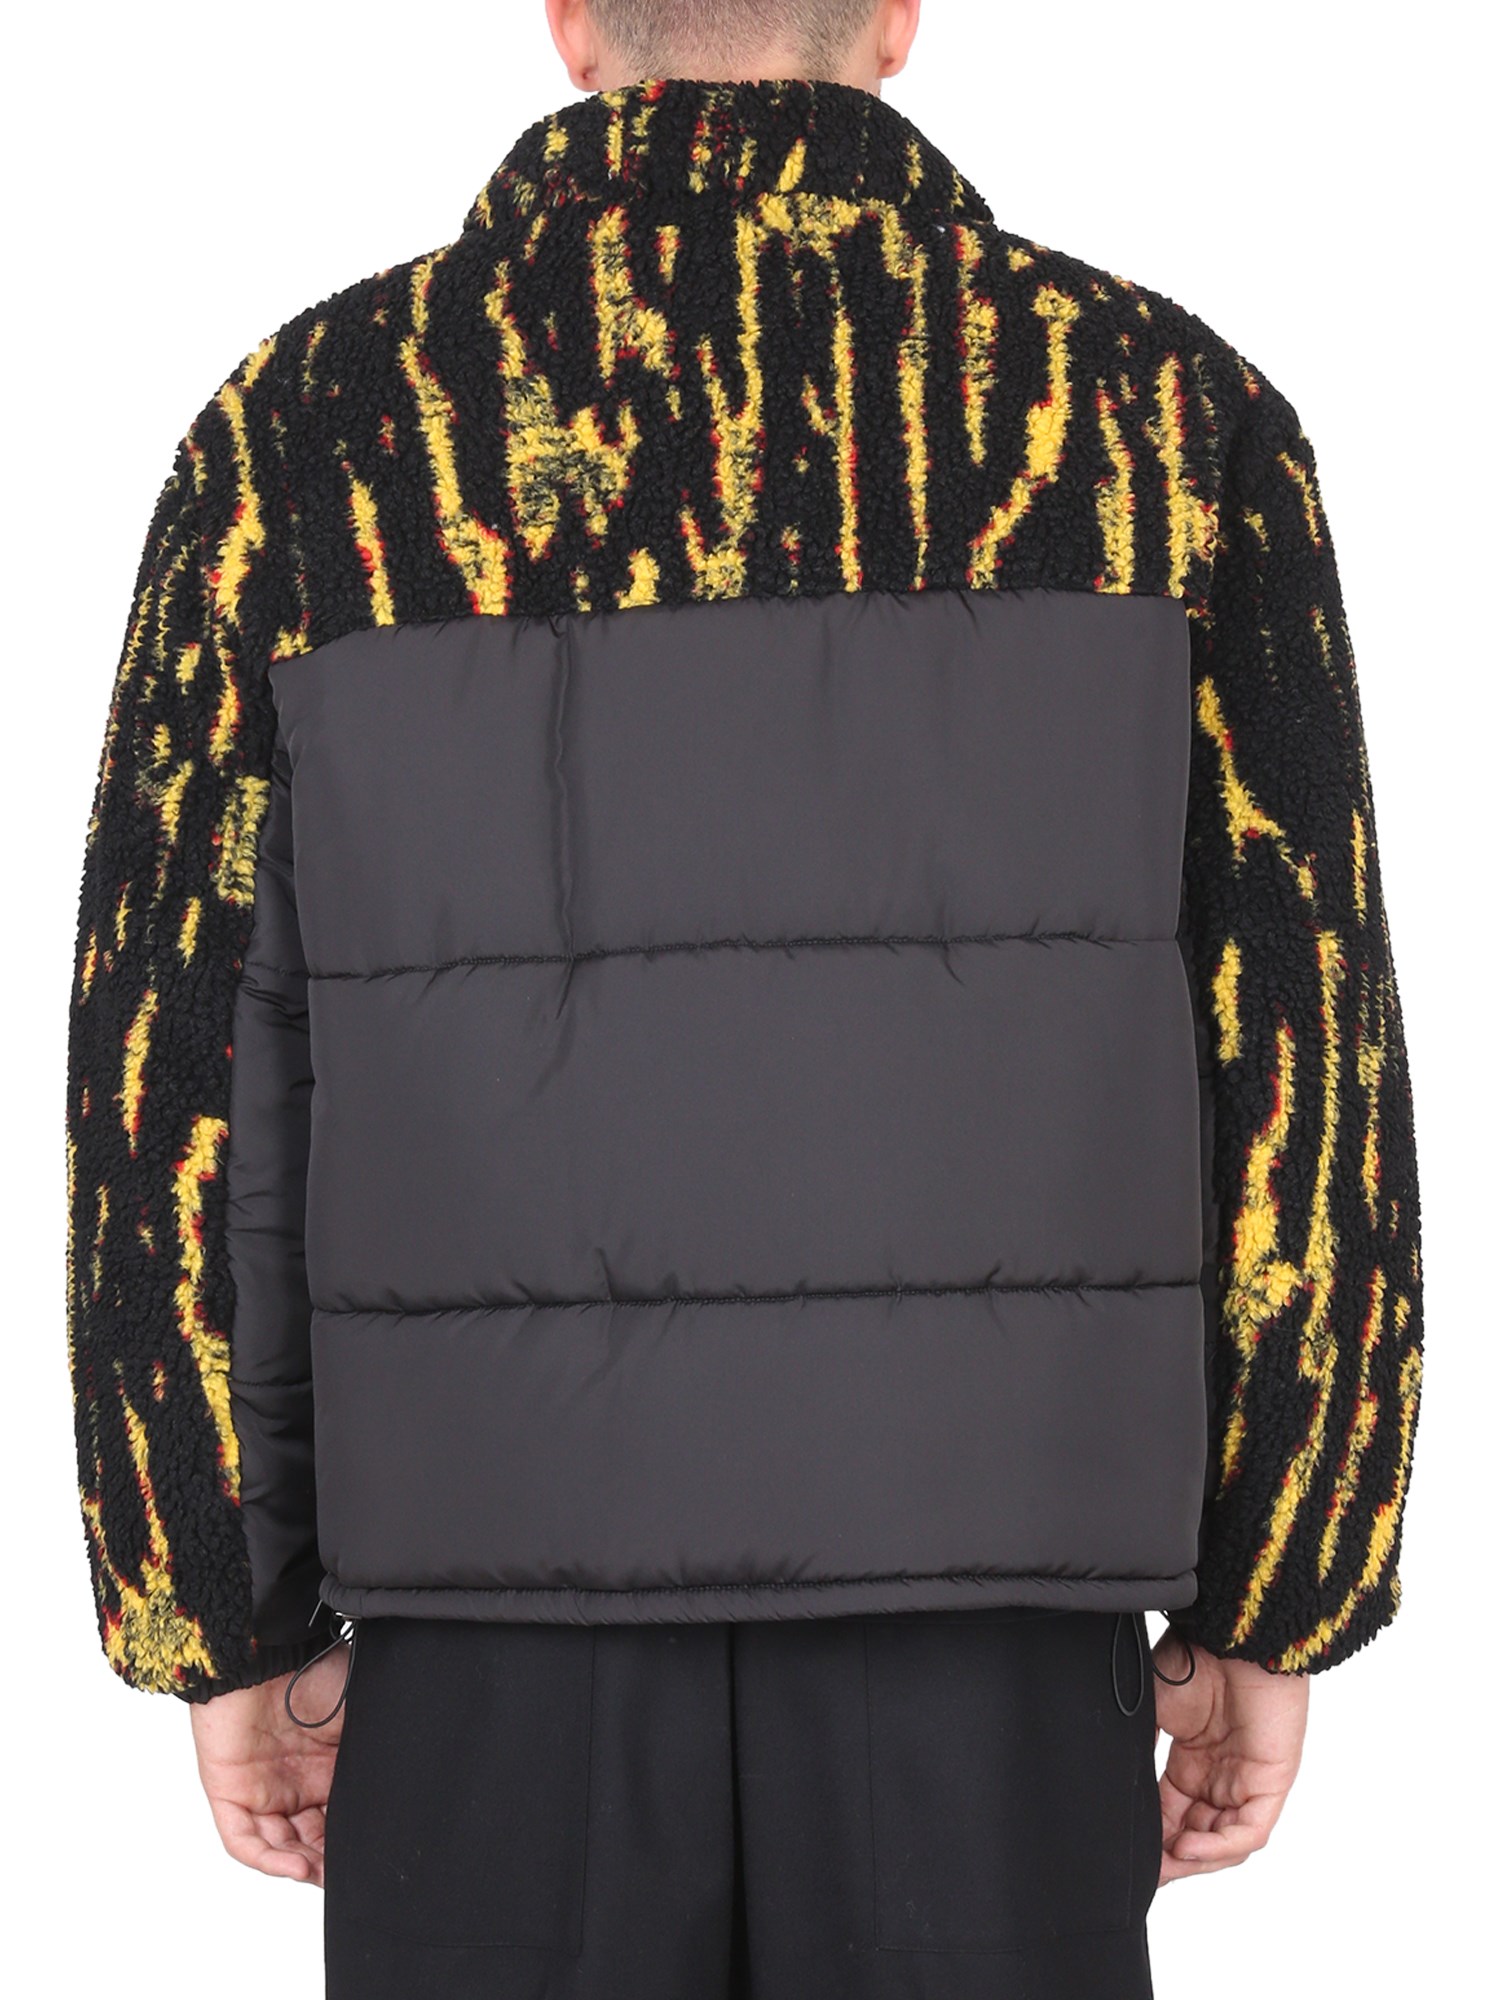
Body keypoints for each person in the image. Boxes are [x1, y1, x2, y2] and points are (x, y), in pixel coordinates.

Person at [64, 1, 1423, 1993]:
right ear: (899, 18)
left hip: (488, 1642)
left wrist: (216, 1610)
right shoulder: (1156, 419)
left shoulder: (314, 435)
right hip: (992, 1645)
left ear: (565, 23)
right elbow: (1307, 1055)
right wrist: (1281, 1588)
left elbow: (173, 1082)